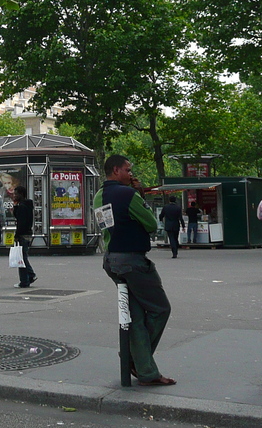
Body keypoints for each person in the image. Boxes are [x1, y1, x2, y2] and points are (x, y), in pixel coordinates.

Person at [93, 155, 174, 387]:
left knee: (136, 317)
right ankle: (135, 359)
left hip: (111, 260)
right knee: (160, 309)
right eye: (128, 170)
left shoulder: (99, 196)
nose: (131, 174)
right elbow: (150, 224)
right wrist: (140, 195)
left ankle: (145, 369)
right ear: (116, 170)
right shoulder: (128, 194)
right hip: (133, 261)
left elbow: (106, 227)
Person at [12, 185, 37, 287]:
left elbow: (20, 222)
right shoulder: (27, 205)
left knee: (21, 258)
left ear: (21, 194)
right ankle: (30, 276)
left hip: (22, 234)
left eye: (16, 193)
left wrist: (17, 235)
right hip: (28, 233)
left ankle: (25, 280)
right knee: (23, 256)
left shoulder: (22, 207)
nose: (14, 195)